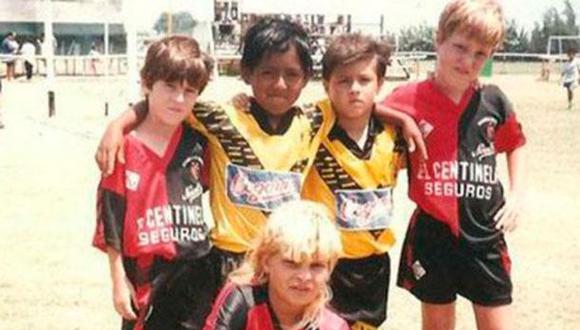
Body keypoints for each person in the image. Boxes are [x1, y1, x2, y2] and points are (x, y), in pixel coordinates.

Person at [95, 18, 424, 291]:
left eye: (291, 74)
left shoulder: (315, 119)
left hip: (284, 262)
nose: (279, 83)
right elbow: (171, 102)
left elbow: (359, 100)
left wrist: (403, 118)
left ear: (307, 78)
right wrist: (119, 124)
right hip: (229, 262)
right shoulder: (222, 117)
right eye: (267, 72)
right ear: (247, 73)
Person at [381, 1, 526, 329]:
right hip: (433, 233)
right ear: (439, 39)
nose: (468, 60)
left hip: (485, 232)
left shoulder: (494, 100)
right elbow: (368, 109)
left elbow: (515, 144)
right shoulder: (410, 96)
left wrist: (516, 195)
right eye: (460, 47)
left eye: (480, 54)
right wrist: (402, 118)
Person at [92, 35, 217, 330]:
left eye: (189, 91)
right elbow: (111, 221)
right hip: (146, 275)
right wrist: (118, 280)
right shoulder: (122, 146)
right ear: (147, 84)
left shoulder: (200, 142)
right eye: (170, 87)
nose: (178, 99)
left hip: (196, 270)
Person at [300, 34, 406, 330]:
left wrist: (405, 120)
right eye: (343, 81)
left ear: (380, 84)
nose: (354, 89)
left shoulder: (394, 134)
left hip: (374, 264)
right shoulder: (310, 128)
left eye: (364, 80)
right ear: (326, 85)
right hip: (325, 262)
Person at [203, 200, 349, 330]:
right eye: (292, 263)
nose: (304, 277)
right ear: (266, 261)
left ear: (330, 269)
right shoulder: (242, 301)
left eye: (317, 266)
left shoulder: (333, 326)